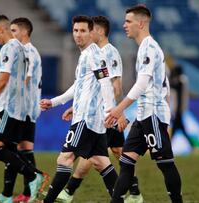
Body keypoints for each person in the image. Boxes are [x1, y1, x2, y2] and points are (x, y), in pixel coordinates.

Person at [39, 15, 127, 203]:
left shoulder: (93, 54)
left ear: (91, 33)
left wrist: (113, 111)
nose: (78, 35)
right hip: (93, 121)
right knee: (100, 162)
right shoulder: (88, 54)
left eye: (83, 31)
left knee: (65, 159)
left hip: (86, 119)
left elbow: (105, 83)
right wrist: (54, 102)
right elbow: (78, 85)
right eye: (75, 30)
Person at [56, 15, 144, 203]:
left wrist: (116, 112)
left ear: (100, 32)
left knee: (99, 155)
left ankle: (69, 191)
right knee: (104, 156)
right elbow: (86, 86)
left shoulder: (109, 53)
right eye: (78, 30)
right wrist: (75, 105)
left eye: (90, 30)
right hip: (100, 112)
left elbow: (115, 86)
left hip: (104, 114)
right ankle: (132, 194)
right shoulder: (92, 53)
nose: (85, 34)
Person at [105, 5, 183, 203]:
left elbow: (142, 84)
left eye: (128, 21)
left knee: (165, 163)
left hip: (153, 115)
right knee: (126, 162)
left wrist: (119, 109)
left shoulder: (149, 47)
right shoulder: (144, 48)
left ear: (140, 23)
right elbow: (160, 85)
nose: (124, 25)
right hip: (143, 116)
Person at [0, 15, 45, 203]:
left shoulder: (9, 48)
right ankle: (8, 195)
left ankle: (33, 176)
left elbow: (4, 79)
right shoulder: (21, 48)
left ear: (1, 30)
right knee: (12, 150)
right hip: (21, 108)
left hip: (9, 106)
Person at [9, 17, 49, 203]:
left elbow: (27, 77)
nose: (12, 35)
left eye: (14, 31)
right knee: (24, 149)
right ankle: (28, 194)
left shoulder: (29, 52)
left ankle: (34, 183)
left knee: (11, 149)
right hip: (29, 108)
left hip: (24, 108)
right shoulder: (30, 51)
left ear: (24, 32)